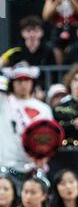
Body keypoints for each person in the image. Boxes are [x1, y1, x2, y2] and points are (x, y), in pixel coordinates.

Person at [0, 63, 53, 191]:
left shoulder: (43, 108)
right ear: (11, 82)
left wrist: (44, 157)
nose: (23, 84)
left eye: (26, 80)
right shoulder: (3, 102)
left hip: (34, 168)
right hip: (5, 166)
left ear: (32, 82)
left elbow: (50, 137)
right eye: (18, 80)